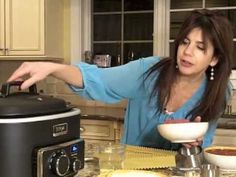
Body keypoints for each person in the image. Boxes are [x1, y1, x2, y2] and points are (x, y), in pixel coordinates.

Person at [7, 9, 234, 150]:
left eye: (200, 47)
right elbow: (98, 80)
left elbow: (205, 141)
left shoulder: (219, 91)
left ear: (214, 59)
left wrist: (195, 144)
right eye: (185, 42)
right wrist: (52, 67)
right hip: (131, 168)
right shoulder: (149, 71)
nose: (187, 52)